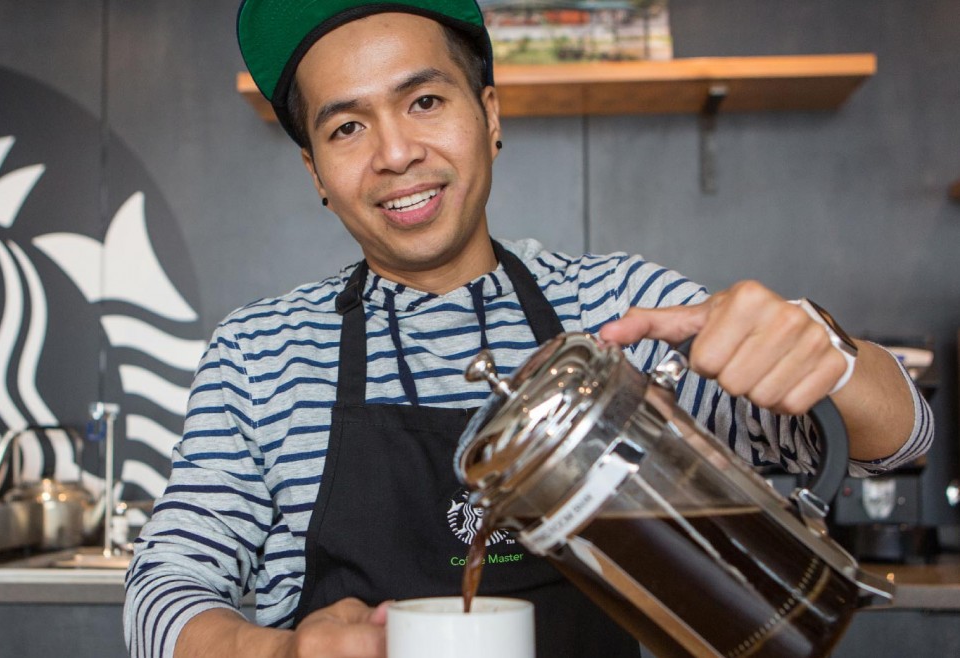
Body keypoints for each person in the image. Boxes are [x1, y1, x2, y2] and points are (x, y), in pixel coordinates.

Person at [124, 1, 934, 656]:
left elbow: (902, 438)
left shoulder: (623, 309)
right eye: (346, 128)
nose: (396, 152)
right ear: (316, 175)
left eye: (425, 100)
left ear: (490, 114)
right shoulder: (259, 353)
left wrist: (822, 353)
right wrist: (280, 655)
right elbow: (162, 592)